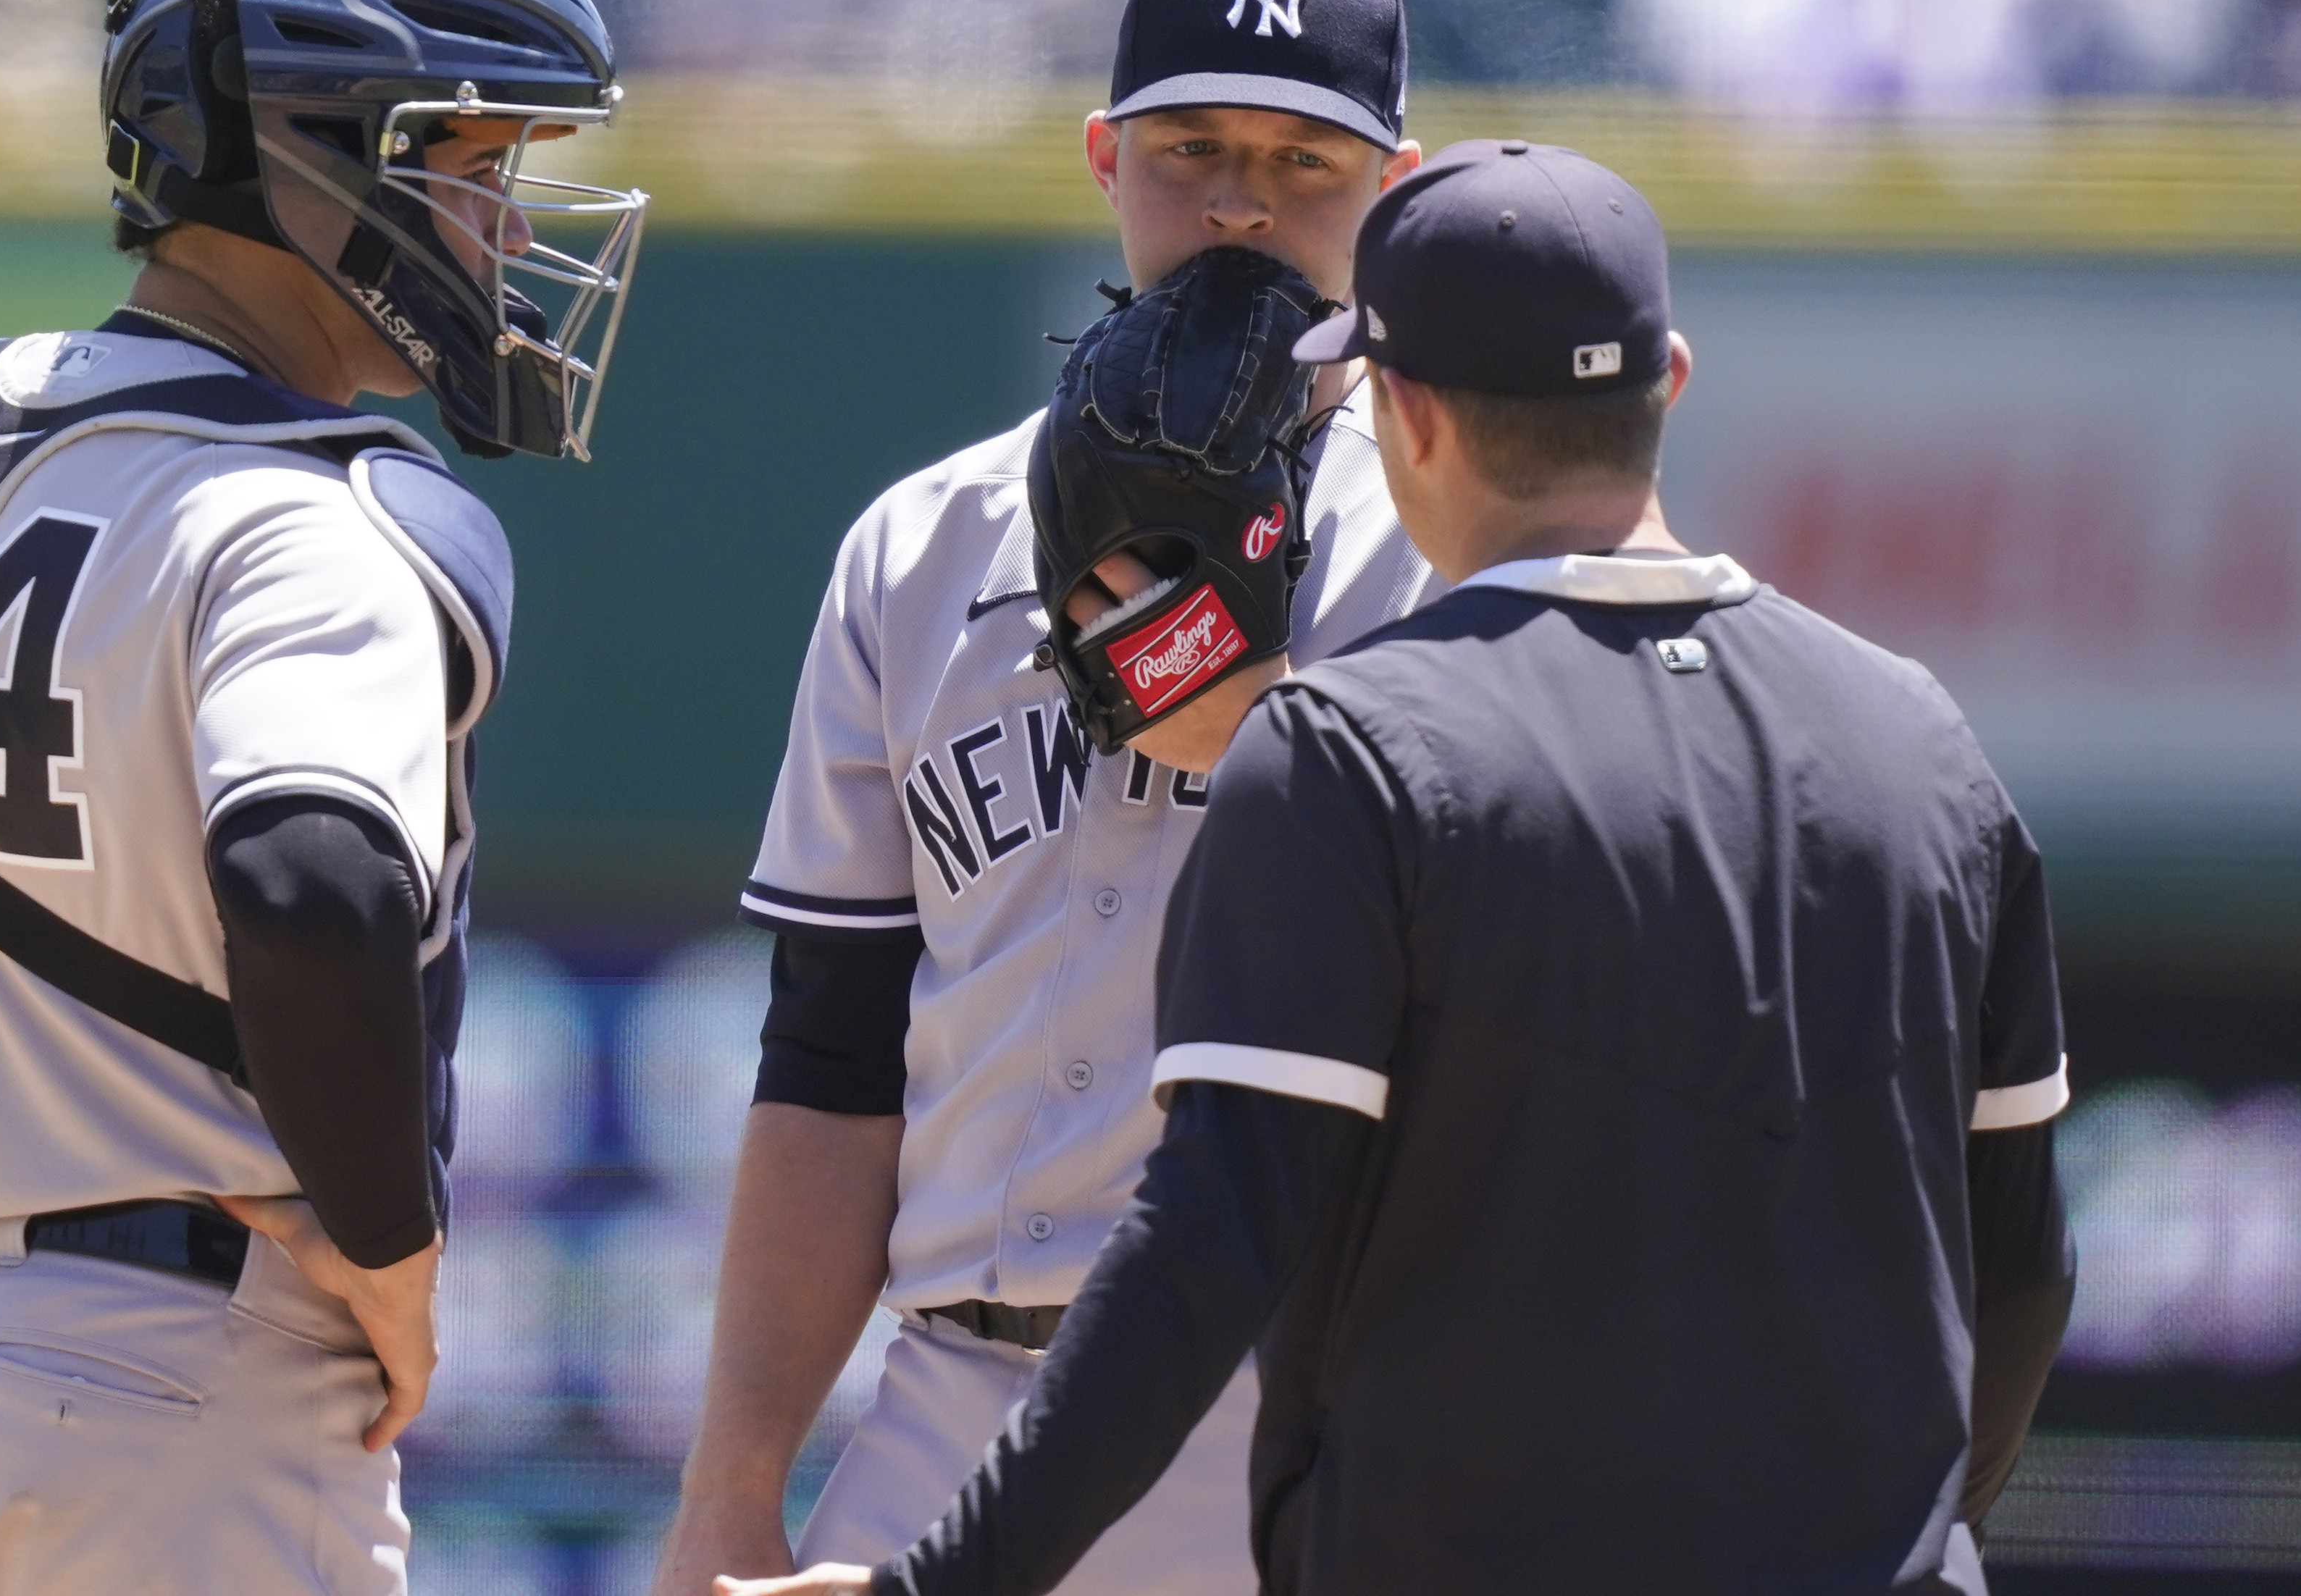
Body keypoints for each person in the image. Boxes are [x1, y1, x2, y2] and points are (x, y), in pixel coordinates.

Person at [722, 141, 2076, 1596]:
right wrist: (1931, 1531)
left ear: (1406, 412)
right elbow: (2019, 1267)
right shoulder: (1922, 741)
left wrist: (939, 1581)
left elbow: (1202, 1250)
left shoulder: (1349, 748)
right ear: (1664, 380)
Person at [0, 0, 647, 1594]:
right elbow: (307, 880)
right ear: (316, 153)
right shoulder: (318, 509)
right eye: (474, 162)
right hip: (162, 1365)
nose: (506, 229)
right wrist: (392, 1246)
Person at [648, 0, 1435, 1596]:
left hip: (1302, 1412)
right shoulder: (920, 544)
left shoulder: (1442, 549)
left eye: (1303, 162)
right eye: (1192, 151)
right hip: (951, 1404)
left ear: (1391, 188)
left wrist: (1261, 729)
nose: (1240, 204)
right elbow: (830, 1054)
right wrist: (730, 1486)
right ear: (1105, 158)